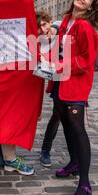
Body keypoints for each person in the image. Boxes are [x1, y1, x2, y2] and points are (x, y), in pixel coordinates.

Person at [45, 0, 98, 195]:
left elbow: (87, 60)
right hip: (59, 82)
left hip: (75, 84)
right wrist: (45, 58)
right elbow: (57, 49)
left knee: (78, 130)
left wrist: (59, 65)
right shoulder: (66, 21)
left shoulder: (86, 27)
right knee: (67, 126)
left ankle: (85, 184)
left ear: (90, 6)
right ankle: (74, 163)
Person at [36, 11, 60, 168]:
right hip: (57, 80)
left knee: (73, 120)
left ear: (50, 22)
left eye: (44, 24)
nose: (42, 29)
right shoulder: (39, 42)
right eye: (39, 27)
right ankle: (45, 150)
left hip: (71, 78)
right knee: (57, 116)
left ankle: (77, 156)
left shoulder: (61, 31)